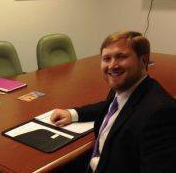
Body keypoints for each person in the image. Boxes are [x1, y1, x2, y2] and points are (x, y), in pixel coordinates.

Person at [50, 30, 176, 173]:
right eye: (106, 58)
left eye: (121, 57)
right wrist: (72, 113)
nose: (112, 65)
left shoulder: (160, 113)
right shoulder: (124, 88)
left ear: (144, 60)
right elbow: (108, 106)